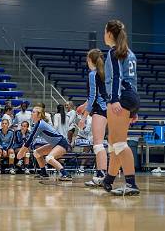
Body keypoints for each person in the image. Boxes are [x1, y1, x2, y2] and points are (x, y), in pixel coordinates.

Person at [101, 20, 140, 196]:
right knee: (113, 142)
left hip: (120, 97)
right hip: (131, 97)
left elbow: (117, 77)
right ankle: (108, 180)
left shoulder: (114, 52)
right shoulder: (129, 53)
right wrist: (134, 110)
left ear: (110, 33)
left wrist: (115, 99)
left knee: (119, 143)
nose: (103, 35)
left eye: (104, 31)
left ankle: (131, 184)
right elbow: (133, 81)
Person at [77, 49, 108, 188]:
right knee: (104, 145)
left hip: (100, 111)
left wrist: (83, 118)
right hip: (107, 110)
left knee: (98, 144)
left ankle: (101, 176)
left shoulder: (92, 74)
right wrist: (84, 105)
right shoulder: (104, 73)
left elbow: (93, 97)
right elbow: (98, 94)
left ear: (90, 60)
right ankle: (104, 175)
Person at [17, 106, 72, 181]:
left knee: (49, 158)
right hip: (55, 144)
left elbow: (30, 140)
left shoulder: (40, 124)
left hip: (62, 143)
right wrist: (22, 151)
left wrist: (21, 152)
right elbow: (29, 139)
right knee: (36, 153)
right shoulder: (37, 124)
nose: (31, 113)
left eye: (33, 112)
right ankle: (44, 173)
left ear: (39, 115)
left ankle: (66, 174)